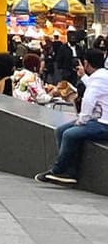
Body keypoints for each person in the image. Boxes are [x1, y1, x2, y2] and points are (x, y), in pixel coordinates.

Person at [38, 49, 108, 186]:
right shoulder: (102, 76)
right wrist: (83, 76)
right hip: (100, 120)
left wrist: (82, 120)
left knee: (69, 134)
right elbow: (95, 88)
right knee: (61, 130)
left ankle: (59, 170)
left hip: (103, 124)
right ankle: (69, 171)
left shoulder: (98, 78)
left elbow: (89, 100)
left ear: (86, 63)